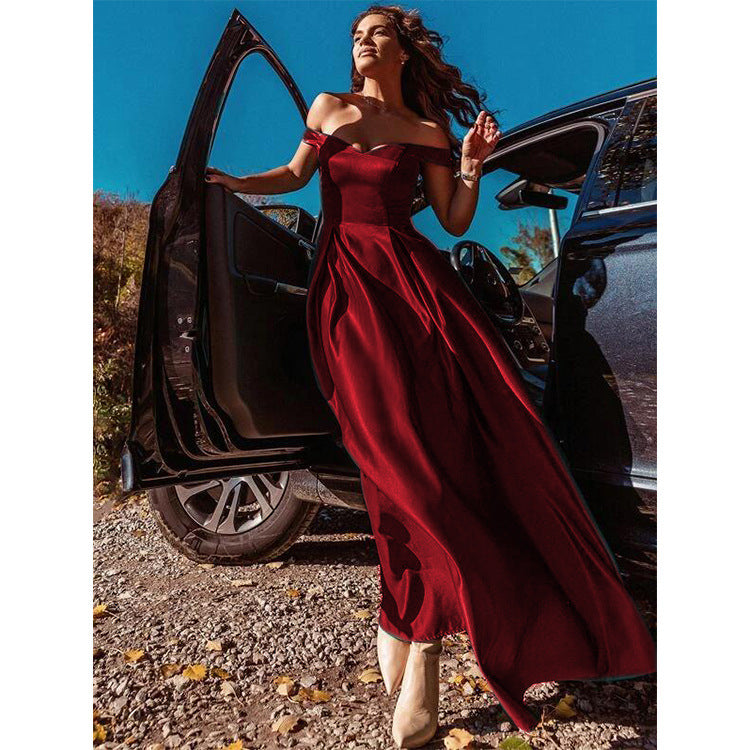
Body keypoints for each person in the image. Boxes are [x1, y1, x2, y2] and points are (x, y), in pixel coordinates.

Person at [206, 5, 656, 747]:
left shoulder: (427, 131)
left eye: (376, 32)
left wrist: (472, 163)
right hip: (348, 294)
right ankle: (411, 615)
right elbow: (293, 175)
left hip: (421, 294)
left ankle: (419, 633)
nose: (361, 42)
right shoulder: (329, 108)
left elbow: (451, 219)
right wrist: (228, 182)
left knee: (429, 466)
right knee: (387, 460)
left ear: (404, 50)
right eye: (356, 34)